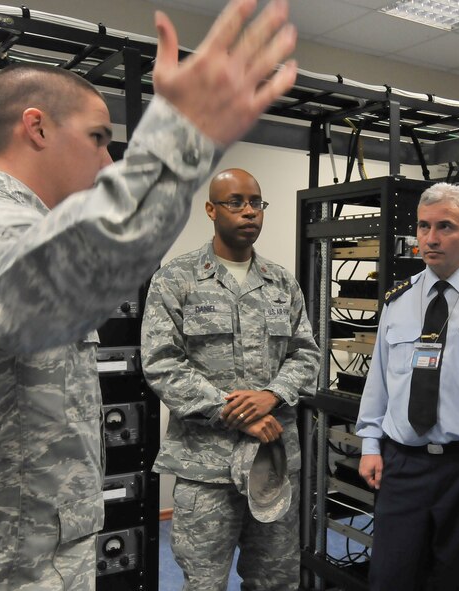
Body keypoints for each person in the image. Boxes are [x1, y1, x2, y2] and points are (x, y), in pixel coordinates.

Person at [0, 0, 297, 588]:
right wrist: (180, 142)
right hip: (1, 560)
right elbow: (36, 298)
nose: (107, 159)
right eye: (99, 137)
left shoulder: (12, 225)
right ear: (37, 127)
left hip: (34, 544)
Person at [141, 168, 319, 590]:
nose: (249, 211)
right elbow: (161, 362)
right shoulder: (176, 279)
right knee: (204, 581)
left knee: (276, 579)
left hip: (272, 461)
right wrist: (233, 411)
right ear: (210, 209)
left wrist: (271, 396)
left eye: (256, 202)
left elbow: (306, 354)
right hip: (207, 467)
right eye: (235, 202)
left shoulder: (281, 282)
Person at [356, 183, 459, 591]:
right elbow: (379, 379)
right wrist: (369, 445)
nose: (430, 239)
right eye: (423, 226)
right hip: (402, 466)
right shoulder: (398, 301)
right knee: (390, 578)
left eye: (445, 227)